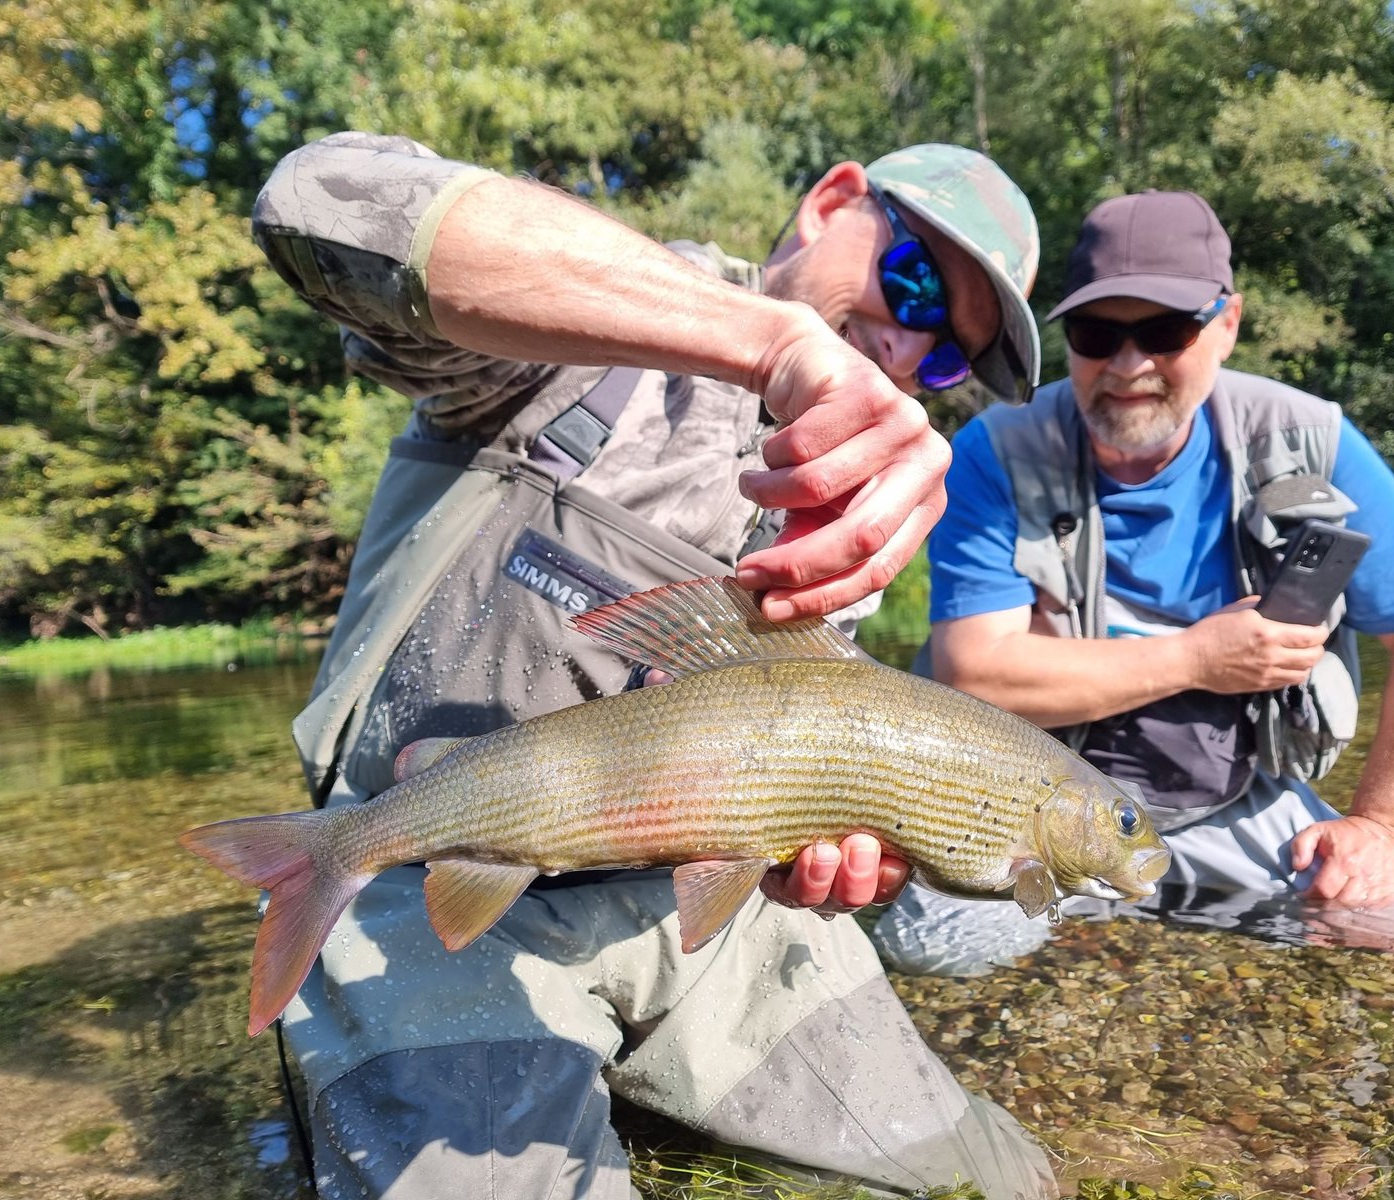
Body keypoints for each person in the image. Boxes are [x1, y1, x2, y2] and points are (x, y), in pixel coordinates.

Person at [251, 131, 1059, 1199]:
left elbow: (812, 776)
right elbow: (314, 201)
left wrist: (817, 853)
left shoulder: (866, 496)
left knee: (993, 1187)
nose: (908, 350)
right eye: (912, 284)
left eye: (948, 357)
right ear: (830, 202)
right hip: (433, 867)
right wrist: (771, 344)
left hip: (700, 920)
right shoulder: (582, 321)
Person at [870, 189, 1394, 977]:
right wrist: (1200, 657)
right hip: (1030, 814)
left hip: (1232, 806)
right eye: (1097, 334)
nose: (1128, 365)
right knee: (933, 952)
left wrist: (1379, 827)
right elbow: (976, 671)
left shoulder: (1309, 441)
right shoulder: (996, 453)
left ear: (1226, 324)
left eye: (1165, 331)